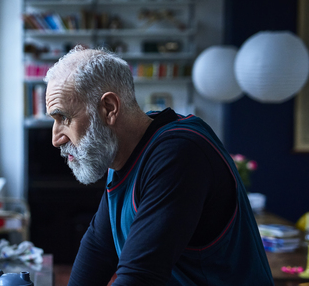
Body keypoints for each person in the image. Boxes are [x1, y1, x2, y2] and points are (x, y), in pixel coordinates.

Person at [44, 46, 273, 285]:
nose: (56, 138)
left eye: (64, 118)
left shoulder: (178, 153)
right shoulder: (123, 150)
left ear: (109, 108)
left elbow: (139, 277)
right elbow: (99, 249)